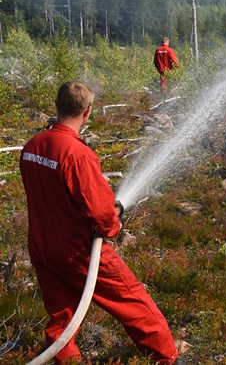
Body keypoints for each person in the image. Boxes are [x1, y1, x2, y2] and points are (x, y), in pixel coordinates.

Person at [20, 80, 181, 364]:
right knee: (132, 300)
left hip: (42, 246)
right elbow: (101, 213)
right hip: (77, 250)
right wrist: (114, 225)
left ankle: (65, 361)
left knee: (62, 317)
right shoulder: (77, 154)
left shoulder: (33, 145)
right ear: (88, 111)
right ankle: (167, 357)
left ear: (58, 107)